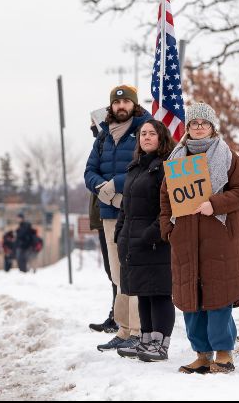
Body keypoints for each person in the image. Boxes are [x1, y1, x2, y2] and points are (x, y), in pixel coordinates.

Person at [160, 102, 239, 374]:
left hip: (219, 238)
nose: (199, 127)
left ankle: (223, 354)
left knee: (219, 297)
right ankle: (201, 355)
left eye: (204, 123)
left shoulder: (228, 157)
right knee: (191, 300)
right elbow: (165, 198)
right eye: (194, 123)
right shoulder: (176, 159)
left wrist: (215, 204)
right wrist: (168, 230)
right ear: (187, 127)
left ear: (212, 127)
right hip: (185, 239)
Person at [85, 84, 151, 352]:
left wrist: (116, 184)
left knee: (133, 271)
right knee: (117, 274)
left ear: (134, 105)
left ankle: (137, 331)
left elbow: (148, 165)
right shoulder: (103, 136)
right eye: (116, 103)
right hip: (110, 214)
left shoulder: (145, 131)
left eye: (126, 102)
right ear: (111, 106)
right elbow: (89, 171)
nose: (121, 106)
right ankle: (123, 330)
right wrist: (103, 188)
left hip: (136, 212)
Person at [114, 119, 176, 362]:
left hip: (155, 242)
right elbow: (125, 206)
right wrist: (120, 232)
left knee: (159, 293)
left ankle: (161, 344)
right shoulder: (135, 167)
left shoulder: (167, 167)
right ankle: (146, 339)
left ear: (162, 138)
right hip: (133, 242)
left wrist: (152, 233)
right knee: (143, 293)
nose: (146, 137)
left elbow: (171, 207)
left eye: (152, 133)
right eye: (143, 134)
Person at [88, 119, 118, 334]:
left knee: (118, 270)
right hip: (102, 216)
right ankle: (116, 314)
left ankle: (120, 317)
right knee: (111, 269)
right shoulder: (100, 147)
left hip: (115, 212)